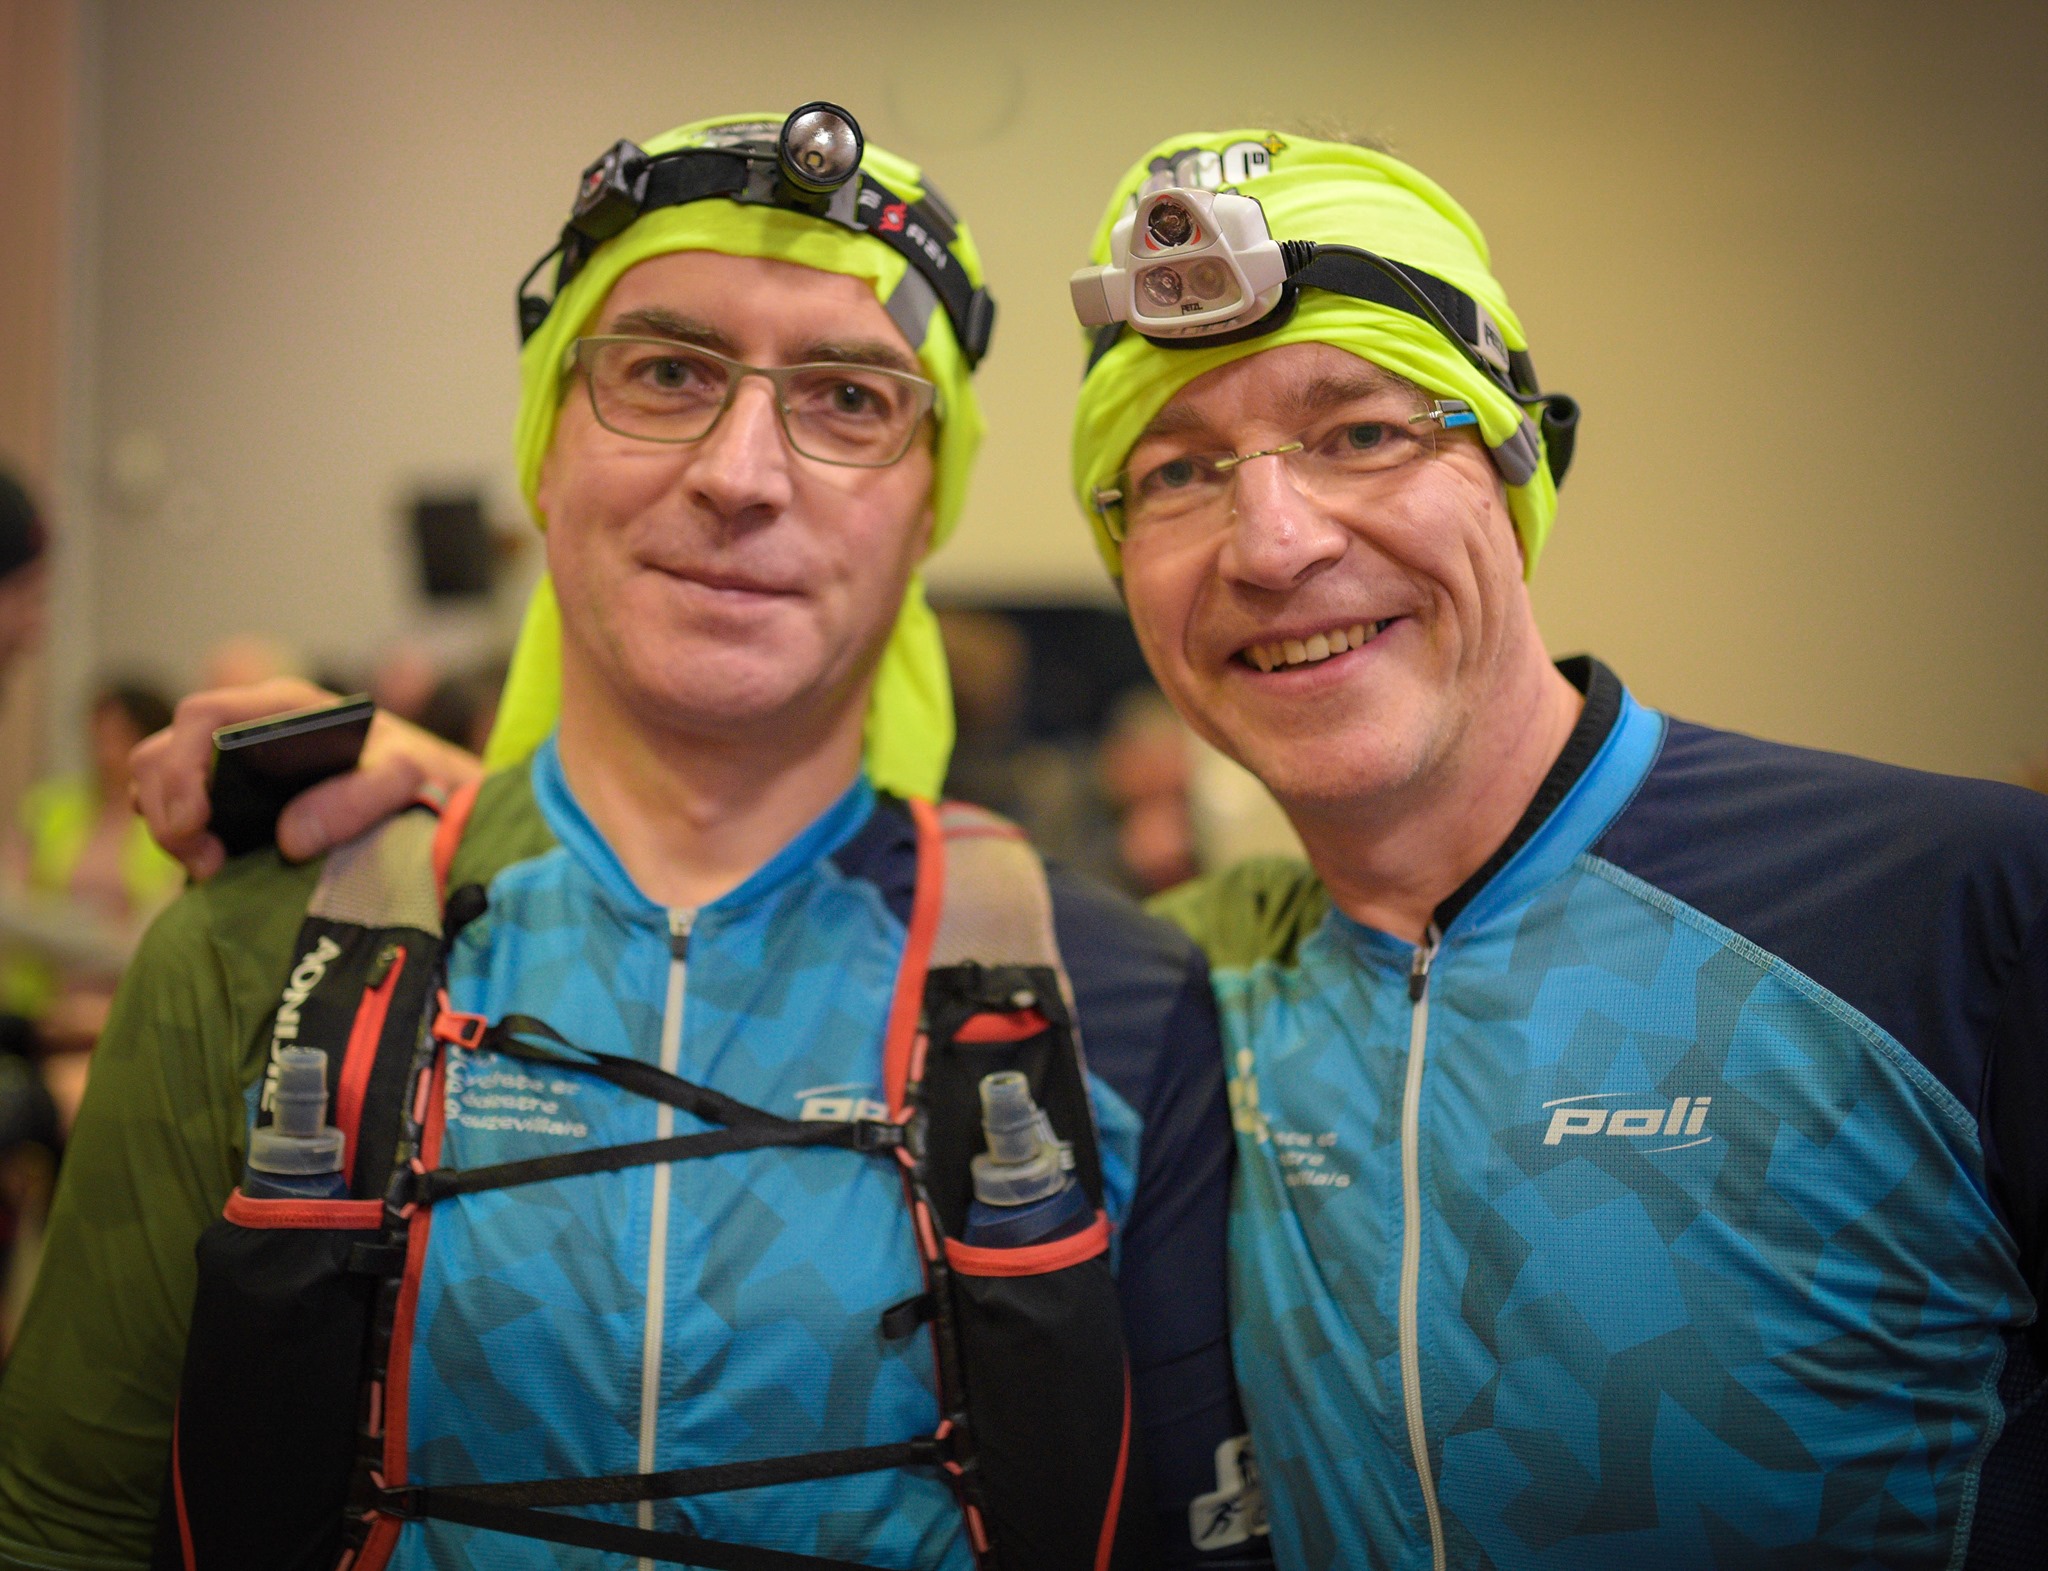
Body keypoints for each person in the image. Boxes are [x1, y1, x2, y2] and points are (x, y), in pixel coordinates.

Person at [0, 109, 1260, 1571]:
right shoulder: (260, 944)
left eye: (850, 400)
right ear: (544, 452)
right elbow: (67, 1524)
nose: (741, 473)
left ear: (929, 511)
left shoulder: (1116, 999)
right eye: (666, 374)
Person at [1064, 130, 2047, 1570]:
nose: (1271, 545)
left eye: (1363, 434)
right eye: (1177, 472)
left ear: (1521, 467)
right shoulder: (1169, 988)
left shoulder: (1962, 905)